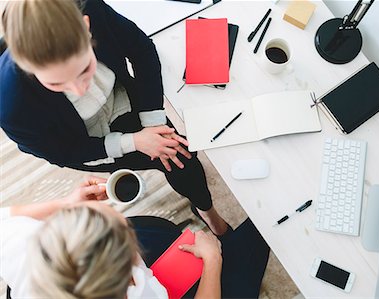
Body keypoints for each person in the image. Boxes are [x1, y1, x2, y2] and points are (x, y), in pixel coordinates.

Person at [0, 0, 227, 235]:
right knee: (168, 156)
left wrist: (154, 123)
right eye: (56, 83)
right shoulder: (10, 107)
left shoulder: (93, 9)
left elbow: (141, 49)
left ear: (86, 26)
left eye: (84, 70)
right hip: (85, 137)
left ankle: (207, 212)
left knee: (179, 155)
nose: (78, 90)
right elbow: (63, 152)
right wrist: (133, 142)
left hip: (120, 97)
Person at [0, 176, 270, 298]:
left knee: (155, 229)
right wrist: (213, 260)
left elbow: (7, 217)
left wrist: (68, 203)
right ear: (130, 277)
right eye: (128, 236)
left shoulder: (16, 239)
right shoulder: (143, 293)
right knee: (247, 256)